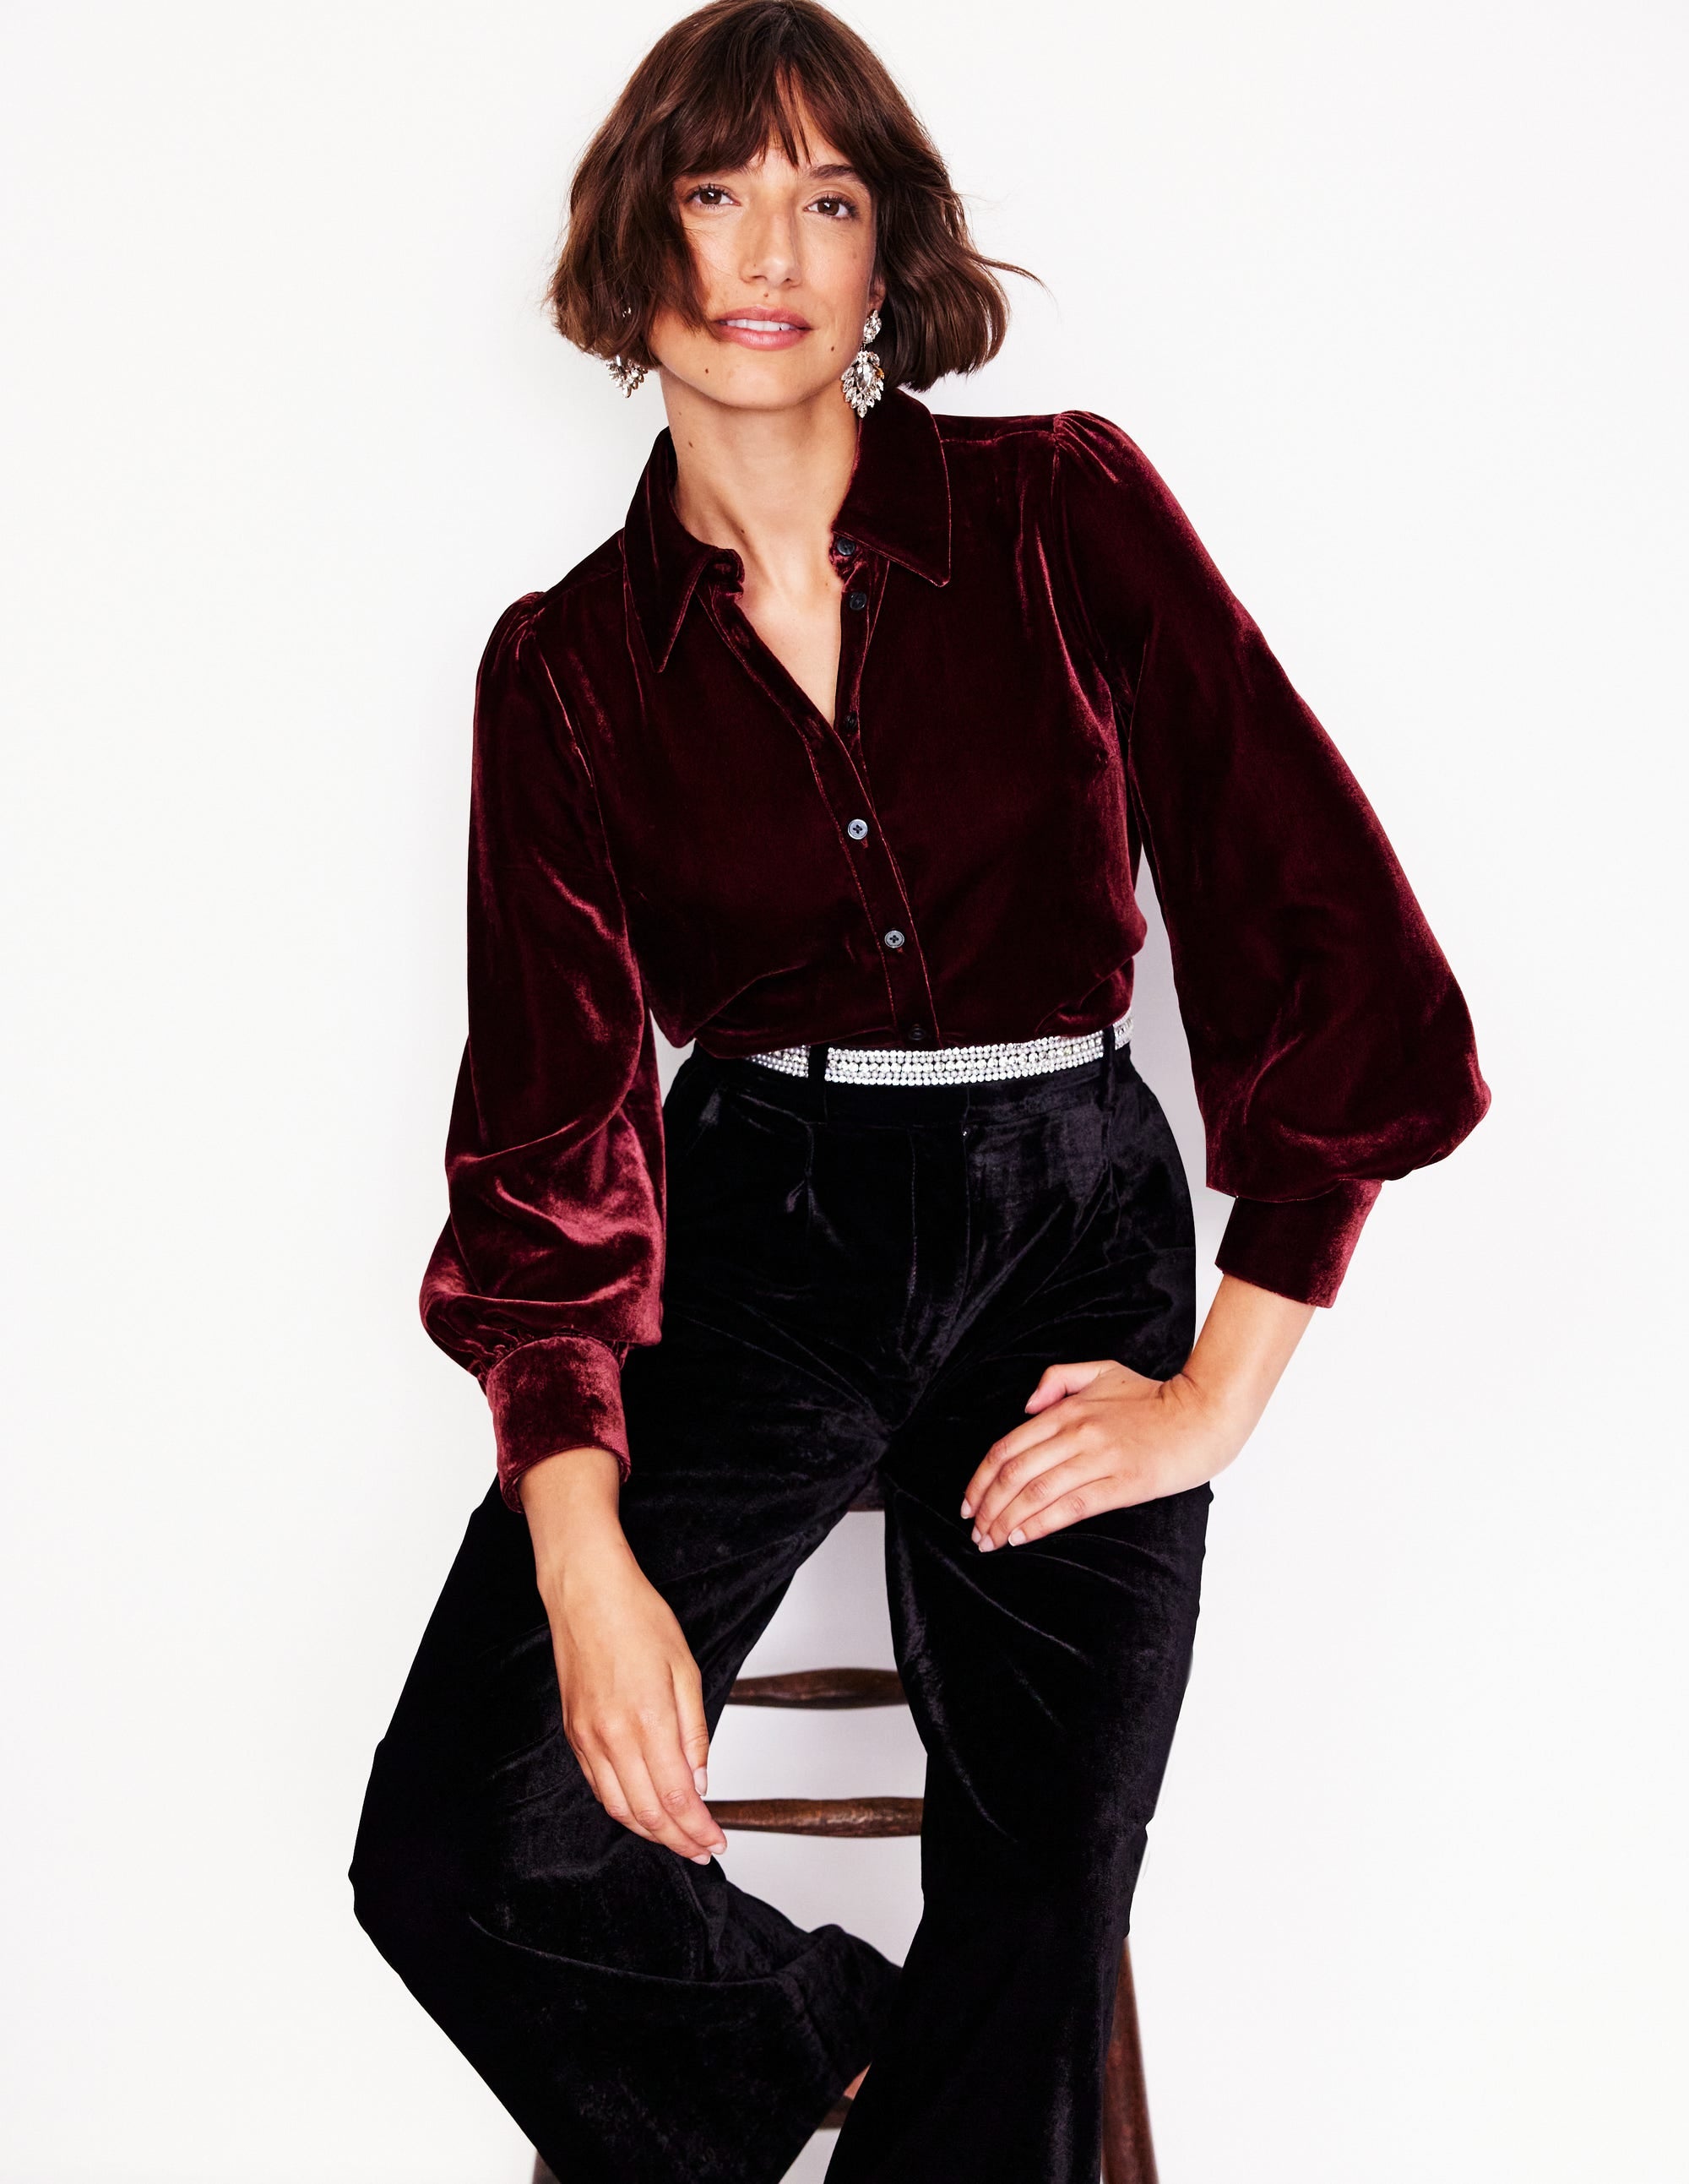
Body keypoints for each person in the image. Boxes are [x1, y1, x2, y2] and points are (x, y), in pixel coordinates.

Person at [349, 3, 1491, 2178]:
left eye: (830, 197)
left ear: (890, 259)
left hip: (1070, 1216)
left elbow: (1325, 929)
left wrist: (1217, 1394)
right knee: (459, 1841)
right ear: (637, 244)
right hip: (753, 1237)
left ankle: (958, 2062)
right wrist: (577, 1552)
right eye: (717, 191)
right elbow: (546, 1129)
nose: (769, 248)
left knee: (1041, 1910)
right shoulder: (566, 665)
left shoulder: (1062, 509)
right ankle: (840, 2060)